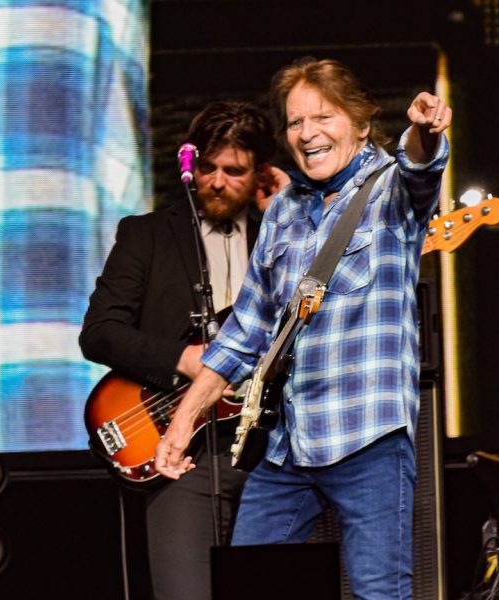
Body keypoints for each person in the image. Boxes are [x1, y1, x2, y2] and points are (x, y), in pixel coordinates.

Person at [154, 57, 452, 599]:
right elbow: (244, 331)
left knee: (378, 595)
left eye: (324, 117)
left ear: (360, 122)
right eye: (295, 122)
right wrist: (181, 424)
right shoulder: (283, 210)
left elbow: (421, 164)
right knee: (251, 586)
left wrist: (425, 131)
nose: (308, 133)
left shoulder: (390, 190)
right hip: (291, 444)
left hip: (370, 438)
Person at [79, 101, 286, 600]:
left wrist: (291, 215)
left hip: (275, 455)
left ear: (260, 172)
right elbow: (99, 332)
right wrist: (186, 360)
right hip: (184, 454)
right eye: (208, 168)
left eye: (233, 171)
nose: (216, 182)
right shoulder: (147, 235)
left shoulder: (286, 236)